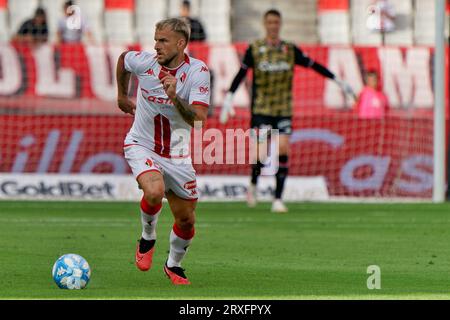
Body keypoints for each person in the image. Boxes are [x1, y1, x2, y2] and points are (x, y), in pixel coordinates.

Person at [220, 9, 354, 213]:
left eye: (276, 22)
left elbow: (315, 66)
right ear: (265, 24)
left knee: (283, 149)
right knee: (261, 154)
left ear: (280, 24)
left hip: (283, 108)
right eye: (270, 22)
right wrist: (229, 98)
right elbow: (241, 73)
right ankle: (254, 183)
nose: (273, 25)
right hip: (262, 108)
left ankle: (278, 199)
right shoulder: (255, 49)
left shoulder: (289, 50)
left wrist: (338, 81)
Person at [116, 18, 210, 285]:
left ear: (181, 43)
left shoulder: (197, 72)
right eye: (155, 39)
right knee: (154, 191)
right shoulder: (144, 62)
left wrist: (175, 97)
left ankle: (174, 266)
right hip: (141, 143)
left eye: (163, 41)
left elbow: (200, 120)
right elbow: (124, 60)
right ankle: (147, 238)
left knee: (186, 219)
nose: (156, 46)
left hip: (178, 155)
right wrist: (122, 96)